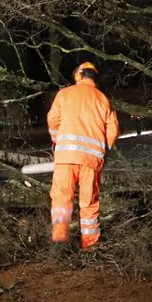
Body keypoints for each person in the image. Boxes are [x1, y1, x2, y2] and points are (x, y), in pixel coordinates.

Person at [46, 62, 119, 250]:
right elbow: (113, 128)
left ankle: (60, 241)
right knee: (89, 203)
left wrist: (57, 143)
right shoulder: (103, 99)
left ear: (78, 75)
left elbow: (53, 120)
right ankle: (91, 245)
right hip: (91, 161)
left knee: (62, 199)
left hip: (66, 158)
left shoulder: (65, 94)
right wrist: (104, 150)